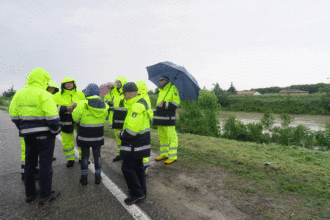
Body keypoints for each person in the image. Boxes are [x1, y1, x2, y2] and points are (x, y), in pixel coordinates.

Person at [9, 67, 61, 206]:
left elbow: (13, 115)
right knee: (45, 164)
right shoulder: (44, 95)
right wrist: (55, 131)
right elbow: (53, 119)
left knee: (29, 164)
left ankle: (30, 194)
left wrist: (24, 128)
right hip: (45, 136)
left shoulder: (19, 94)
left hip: (28, 136)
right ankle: (45, 195)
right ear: (43, 80)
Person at [117, 82, 153, 205]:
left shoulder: (136, 107)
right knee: (138, 168)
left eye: (125, 94)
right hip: (141, 143)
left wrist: (121, 134)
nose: (124, 97)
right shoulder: (141, 103)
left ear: (131, 93)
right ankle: (142, 191)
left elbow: (132, 131)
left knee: (127, 169)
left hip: (134, 144)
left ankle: (137, 193)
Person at [20, 80, 59, 180]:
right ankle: (27, 173)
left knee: (31, 155)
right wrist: (55, 130)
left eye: (52, 90)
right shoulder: (42, 96)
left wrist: (22, 127)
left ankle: (28, 176)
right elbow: (52, 118)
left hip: (27, 130)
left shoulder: (25, 94)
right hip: (41, 131)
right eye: (49, 89)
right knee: (34, 155)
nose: (51, 91)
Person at [72, 83, 109, 185]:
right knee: (97, 155)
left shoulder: (82, 103)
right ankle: (98, 177)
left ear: (87, 92)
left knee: (84, 156)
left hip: (84, 135)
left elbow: (75, 118)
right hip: (98, 135)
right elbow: (105, 116)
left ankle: (84, 178)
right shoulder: (104, 104)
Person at [54, 77, 85, 167]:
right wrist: (65, 108)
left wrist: (77, 105)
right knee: (67, 141)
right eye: (66, 83)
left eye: (70, 82)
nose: (69, 84)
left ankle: (83, 158)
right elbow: (54, 107)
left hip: (79, 119)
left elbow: (85, 104)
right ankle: (70, 159)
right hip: (65, 120)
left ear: (73, 83)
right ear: (63, 85)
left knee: (81, 139)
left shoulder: (80, 93)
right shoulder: (57, 95)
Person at [154, 78, 181, 165]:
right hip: (160, 118)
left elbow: (176, 103)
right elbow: (159, 105)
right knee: (163, 137)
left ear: (166, 80)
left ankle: (172, 157)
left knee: (172, 138)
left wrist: (165, 104)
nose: (160, 81)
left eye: (162, 80)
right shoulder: (161, 90)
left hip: (169, 119)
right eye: (160, 80)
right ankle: (164, 154)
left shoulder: (173, 88)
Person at [135, 81, 152, 175]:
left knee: (144, 147)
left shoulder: (144, 98)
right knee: (140, 146)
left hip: (143, 126)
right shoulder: (141, 97)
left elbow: (147, 112)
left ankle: (145, 167)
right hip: (140, 125)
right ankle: (141, 166)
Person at [109, 76, 127, 162]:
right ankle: (120, 154)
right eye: (117, 82)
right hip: (116, 120)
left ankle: (126, 155)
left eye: (119, 82)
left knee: (125, 138)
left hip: (124, 120)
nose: (117, 83)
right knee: (118, 138)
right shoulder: (115, 94)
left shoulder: (126, 94)